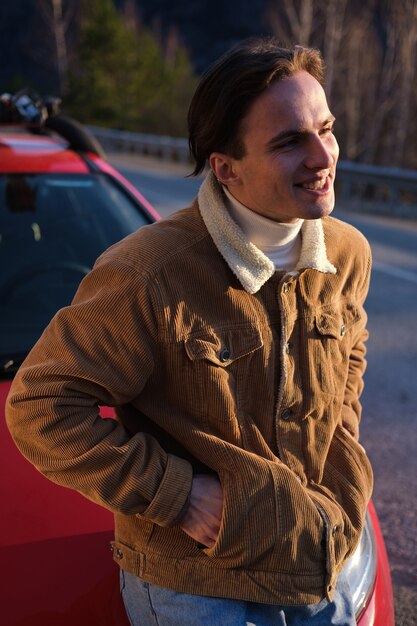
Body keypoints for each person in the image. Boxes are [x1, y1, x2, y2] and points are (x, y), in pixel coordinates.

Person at [6, 37, 373, 625]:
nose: (322, 155)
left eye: (325, 129)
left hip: (320, 553)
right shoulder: (149, 273)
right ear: (226, 169)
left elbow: (350, 352)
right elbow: (40, 407)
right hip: (198, 585)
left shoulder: (348, 252)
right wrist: (178, 495)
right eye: (288, 142)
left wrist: (338, 453)